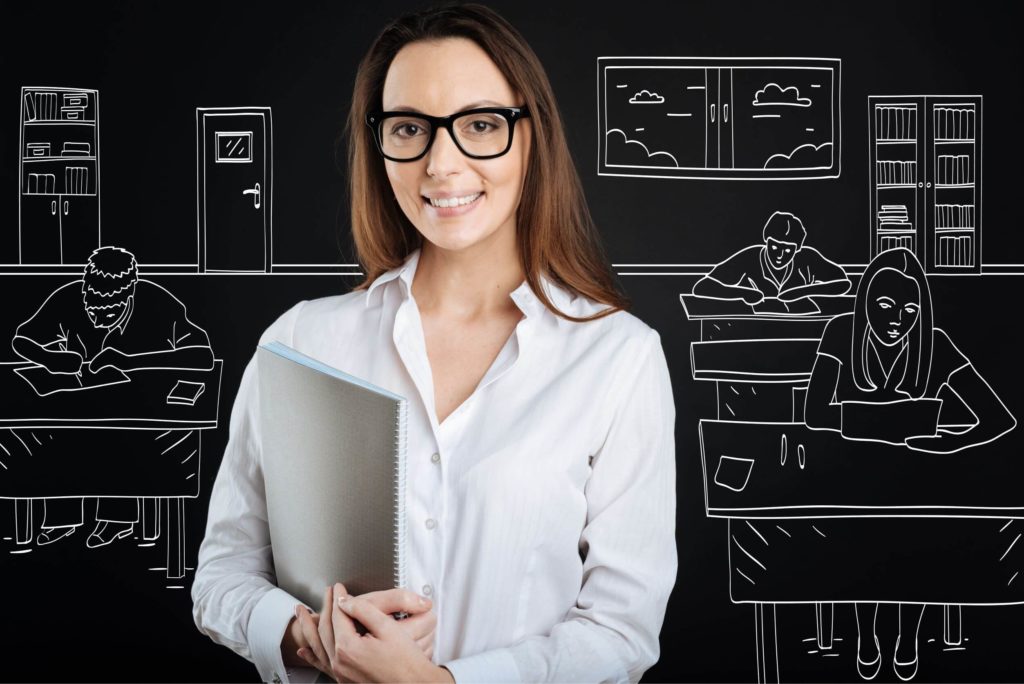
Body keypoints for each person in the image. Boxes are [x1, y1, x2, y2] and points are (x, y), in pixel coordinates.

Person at [191, 5, 677, 684]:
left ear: (530, 135)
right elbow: (221, 575)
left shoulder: (618, 359)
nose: (440, 163)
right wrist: (309, 637)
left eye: (480, 125)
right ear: (380, 142)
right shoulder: (302, 340)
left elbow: (618, 634)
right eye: (410, 129)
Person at [804, 247, 1016, 681]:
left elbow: (999, 418)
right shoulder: (840, 332)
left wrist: (949, 445)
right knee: (857, 542)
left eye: (910, 309)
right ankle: (865, 634)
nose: (897, 319)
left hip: (913, 480)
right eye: (884, 306)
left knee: (913, 544)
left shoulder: (934, 343)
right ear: (865, 302)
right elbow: (814, 413)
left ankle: (906, 636)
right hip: (850, 477)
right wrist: (888, 416)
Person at [7, 246, 214, 548]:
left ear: (129, 295)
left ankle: (116, 519)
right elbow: (21, 339)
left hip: (140, 408)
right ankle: (62, 518)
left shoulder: (157, 301)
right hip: (78, 400)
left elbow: (202, 356)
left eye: (108, 310)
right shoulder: (70, 296)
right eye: (92, 308)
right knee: (58, 431)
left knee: (124, 436)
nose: (97, 317)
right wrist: (47, 357)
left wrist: (131, 361)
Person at [692, 210, 851, 305]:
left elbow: (843, 283)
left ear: (797, 249)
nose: (780, 255)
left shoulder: (807, 257)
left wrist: (803, 292)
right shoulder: (750, 257)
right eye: (774, 247)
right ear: (766, 241)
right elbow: (701, 286)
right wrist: (742, 293)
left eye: (788, 250)